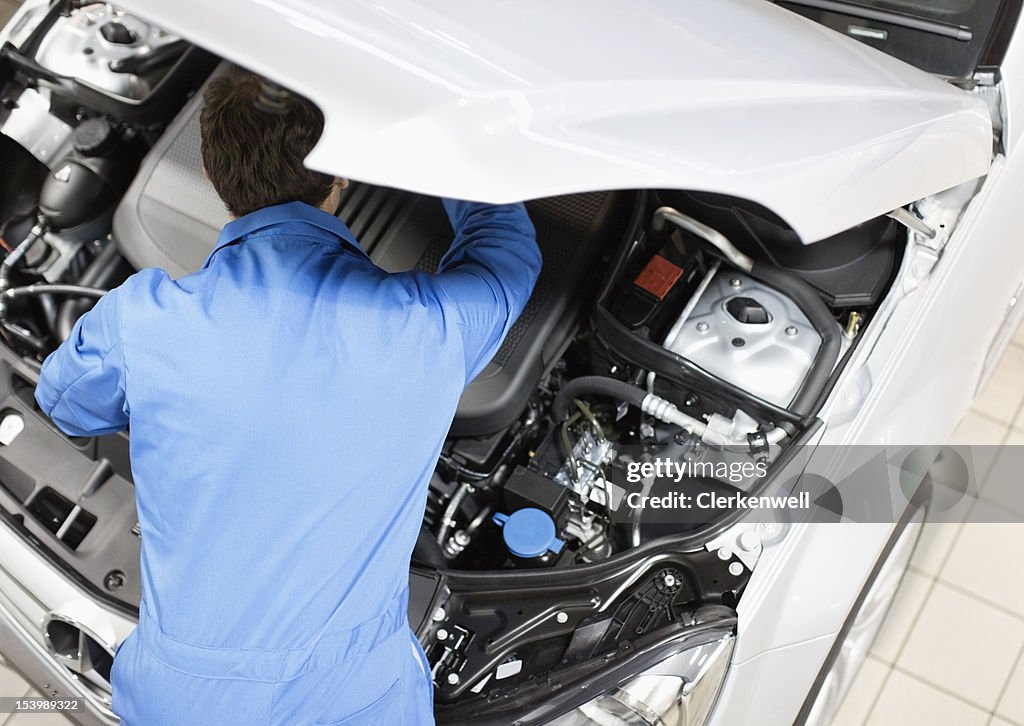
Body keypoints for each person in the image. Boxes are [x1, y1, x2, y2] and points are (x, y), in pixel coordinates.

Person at [34, 64, 541, 725]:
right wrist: (440, 143)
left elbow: (62, 401)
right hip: (352, 705)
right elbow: (506, 257)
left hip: (171, 703)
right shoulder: (426, 327)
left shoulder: (139, 320)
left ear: (214, 176)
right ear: (342, 175)